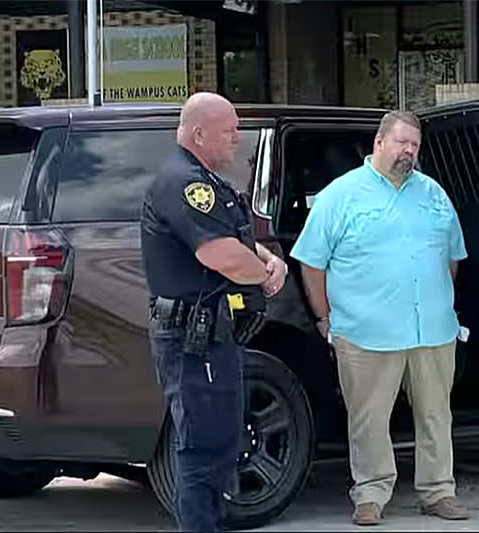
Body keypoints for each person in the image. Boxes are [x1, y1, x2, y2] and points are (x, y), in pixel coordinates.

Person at [290, 110, 470, 526]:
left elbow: (452, 258)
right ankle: (370, 493)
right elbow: (311, 263)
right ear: (379, 142)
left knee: (435, 414)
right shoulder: (340, 195)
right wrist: (324, 318)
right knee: (369, 418)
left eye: (415, 145)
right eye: (402, 142)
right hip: (365, 331)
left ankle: (438, 491)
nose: (408, 151)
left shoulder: (433, 194)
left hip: (432, 330)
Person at [140, 92, 288, 532]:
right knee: (203, 450)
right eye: (229, 131)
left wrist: (266, 256)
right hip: (192, 337)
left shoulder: (208, 183)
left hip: (212, 336)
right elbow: (219, 254)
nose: (236, 140)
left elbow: (235, 237)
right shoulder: (185, 183)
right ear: (199, 133)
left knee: (221, 443)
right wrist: (263, 274)